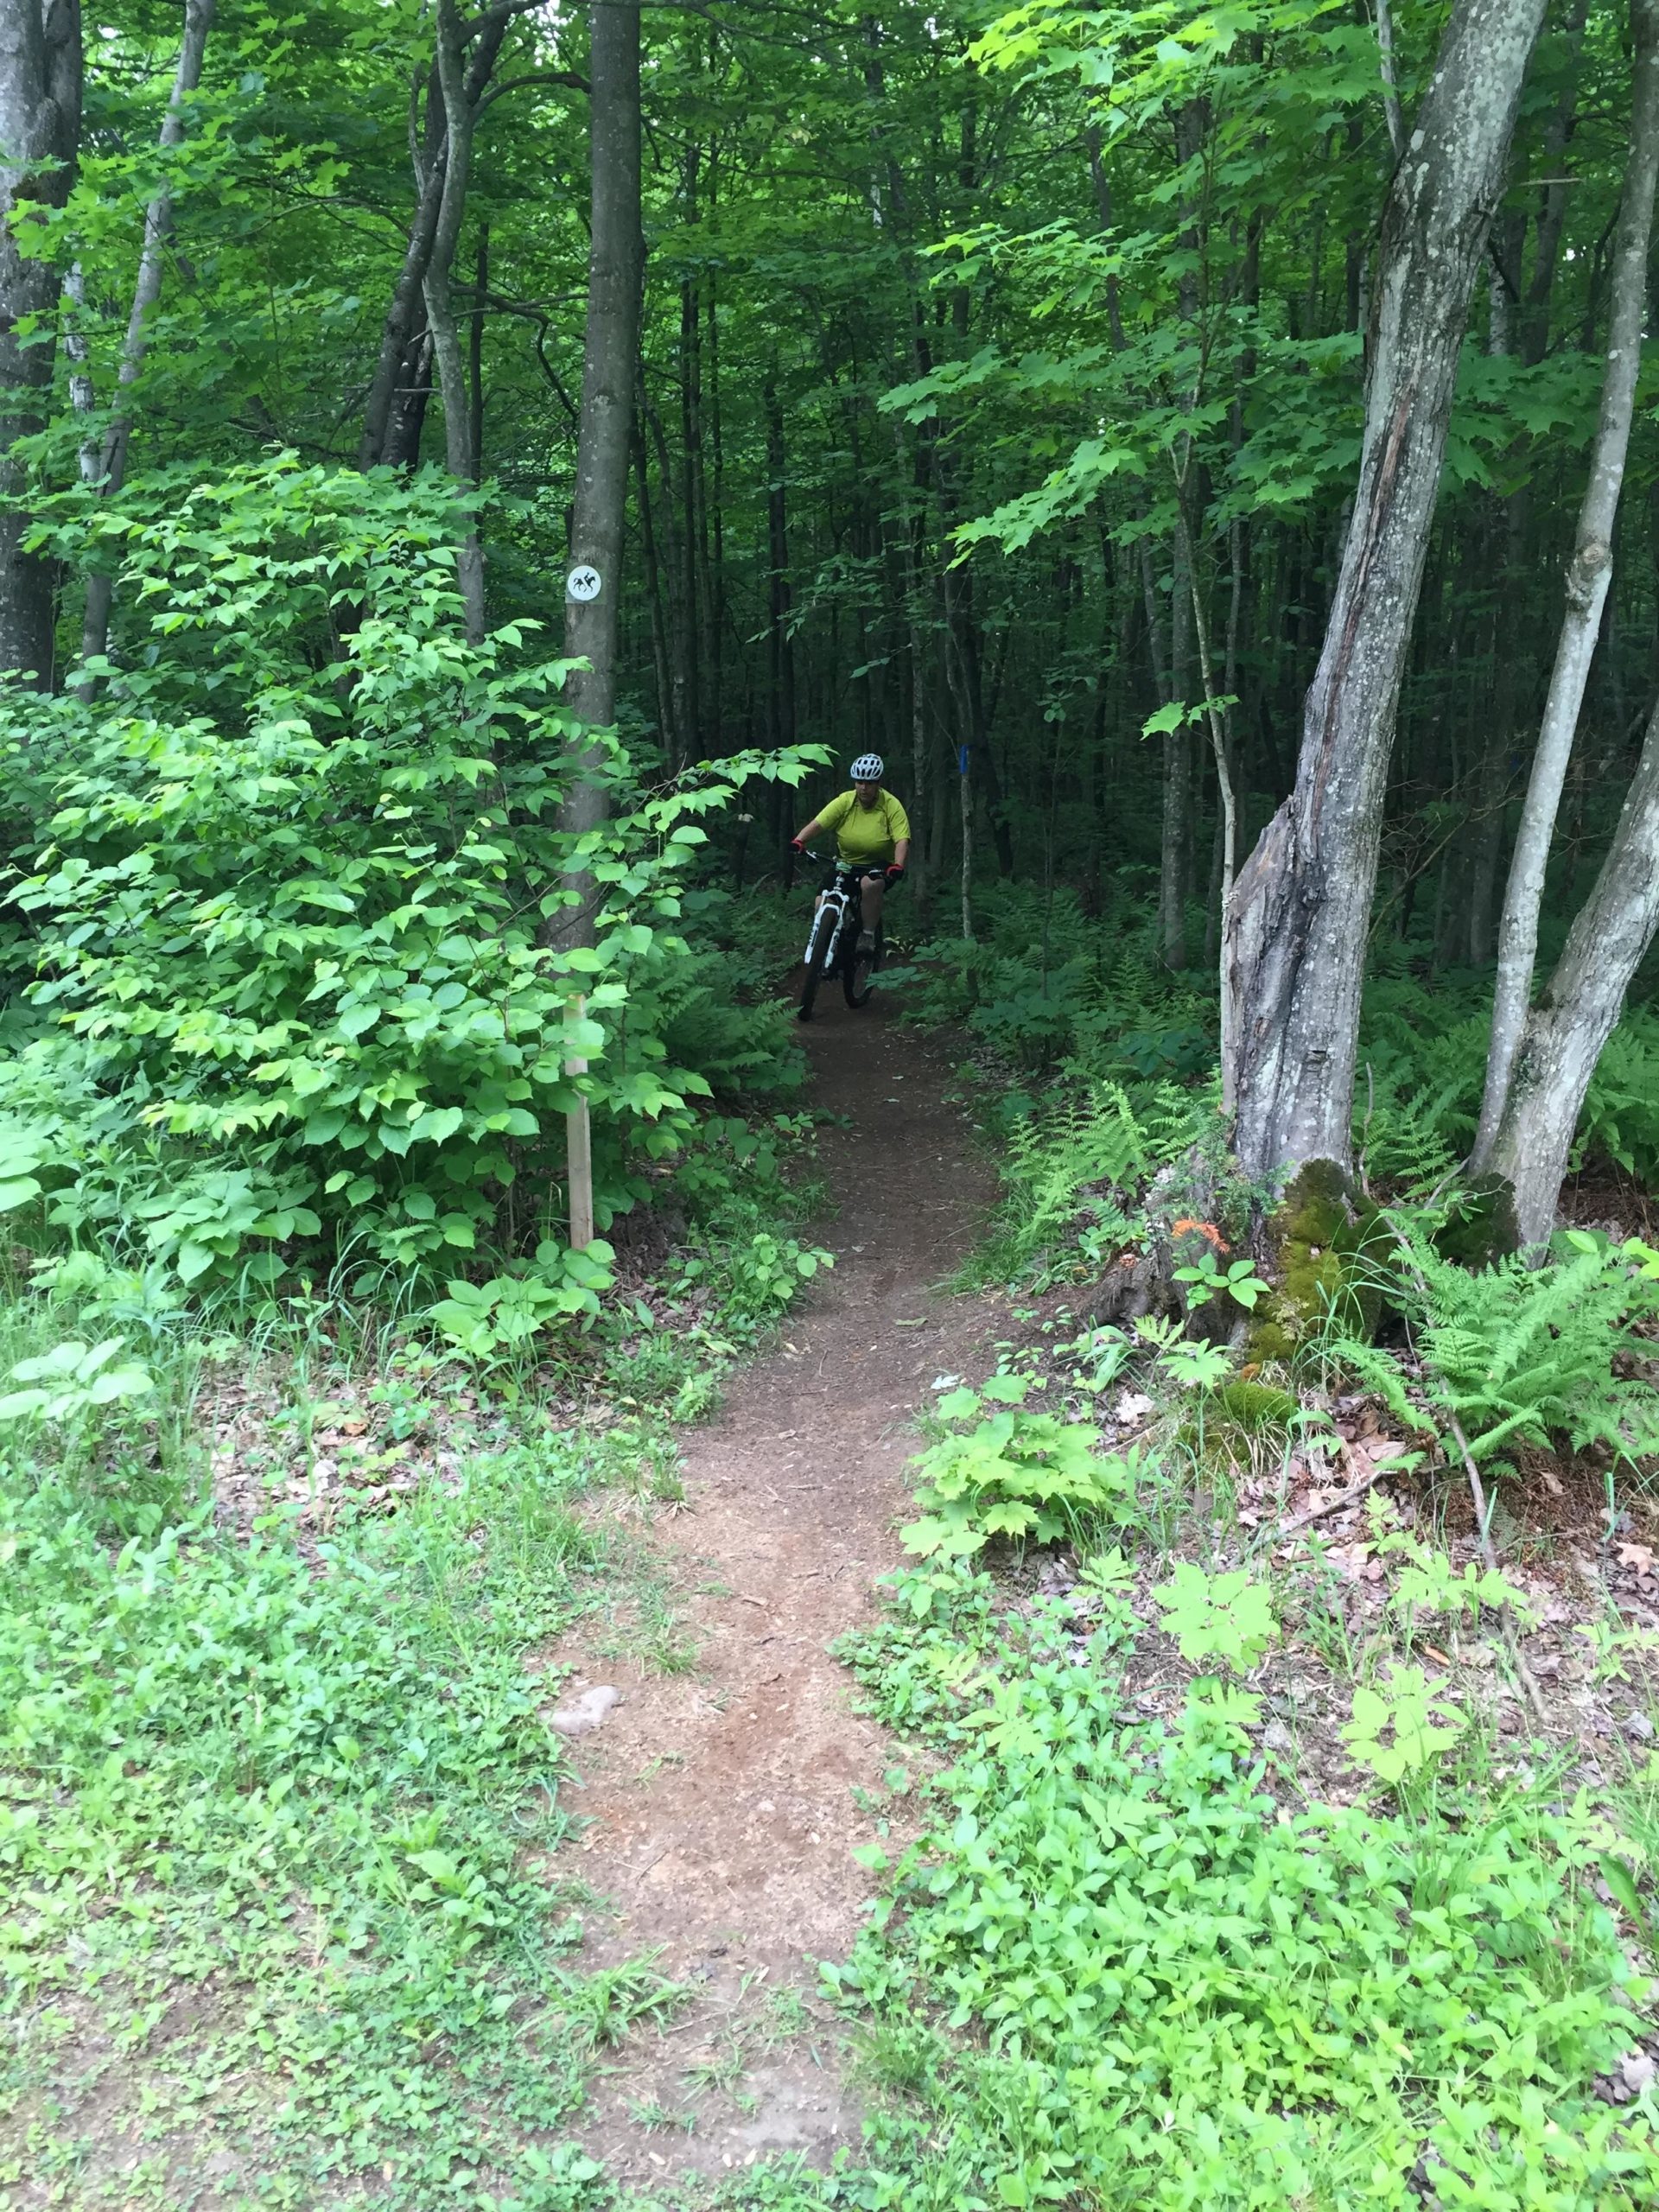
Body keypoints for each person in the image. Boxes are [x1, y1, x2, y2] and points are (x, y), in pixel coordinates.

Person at [791, 753, 910, 953]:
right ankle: (825, 943)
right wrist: (799, 841)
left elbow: (901, 839)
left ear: (878, 784)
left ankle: (867, 934)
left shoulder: (891, 805)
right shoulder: (845, 801)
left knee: (869, 884)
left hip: (879, 865)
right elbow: (819, 823)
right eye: (859, 782)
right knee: (823, 900)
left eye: (869, 783)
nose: (864, 788)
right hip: (846, 863)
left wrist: (898, 865)